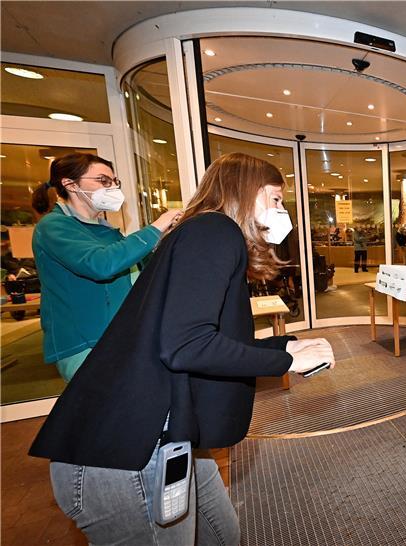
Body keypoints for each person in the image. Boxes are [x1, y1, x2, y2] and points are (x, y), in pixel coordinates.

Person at [29, 153, 336, 545]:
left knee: (222, 535)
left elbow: (203, 340)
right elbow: (187, 346)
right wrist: (286, 360)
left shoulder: (201, 234)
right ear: (245, 193)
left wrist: (285, 344)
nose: (281, 211)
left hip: (168, 436)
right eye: (275, 199)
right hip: (127, 450)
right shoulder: (214, 232)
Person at [30, 153, 181, 381]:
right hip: (86, 343)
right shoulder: (54, 226)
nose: (112, 188)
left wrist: (160, 243)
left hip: (121, 336)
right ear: (70, 184)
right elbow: (101, 264)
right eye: (103, 181)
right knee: (106, 411)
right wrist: (156, 227)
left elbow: (137, 274)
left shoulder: (106, 231)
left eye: (113, 181)